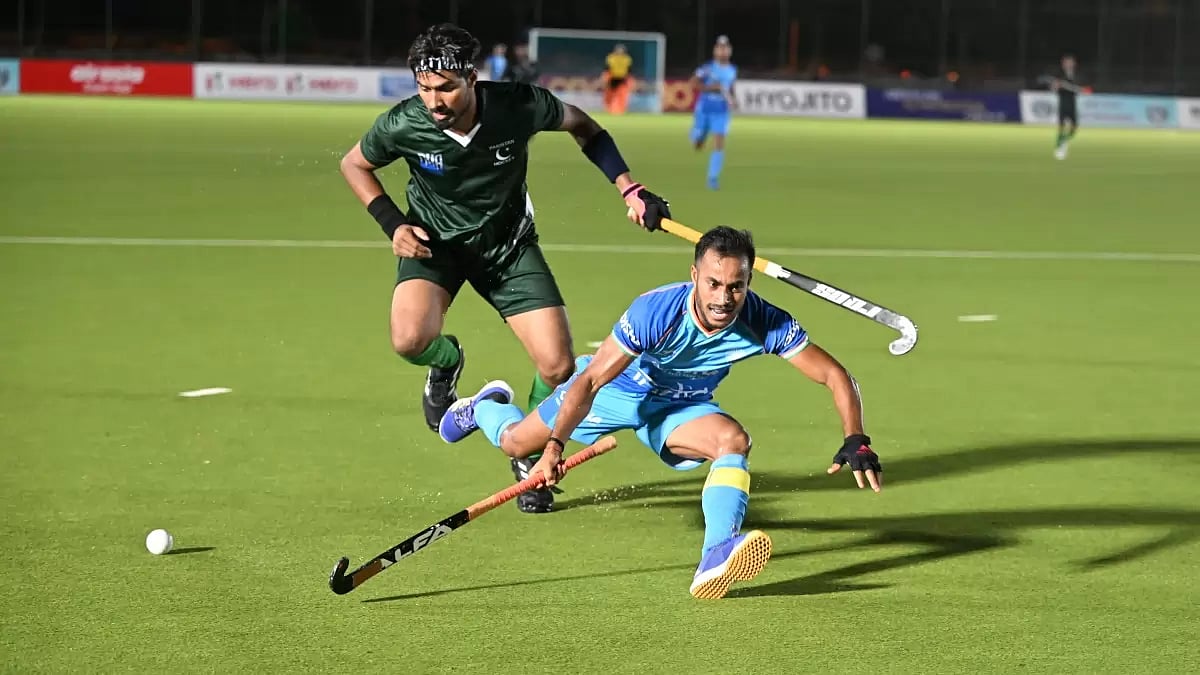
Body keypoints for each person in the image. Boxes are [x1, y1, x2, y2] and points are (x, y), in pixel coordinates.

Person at [438, 226, 882, 599]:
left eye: (736, 285)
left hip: (679, 407)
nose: (724, 298)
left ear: (748, 281)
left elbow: (835, 375)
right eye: (713, 283)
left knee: (733, 441)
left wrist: (855, 437)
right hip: (617, 390)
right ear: (695, 275)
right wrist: (554, 446)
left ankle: (715, 554)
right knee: (517, 442)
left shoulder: (764, 321)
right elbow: (591, 381)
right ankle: (486, 407)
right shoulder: (656, 311)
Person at [338, 23, 672, 514]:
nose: (435, 100)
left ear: (473, 77)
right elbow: (354, 164)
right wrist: (392, 224)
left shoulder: (519, 104)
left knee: (558, 365)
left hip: (508, 248)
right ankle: (446, 365)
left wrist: (628, 187)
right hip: (437, 247)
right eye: (424, 88)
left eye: (447, 87)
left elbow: (587, 128)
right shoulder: (404, 123)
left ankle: (530, 452)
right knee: (409, 341)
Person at [689, 36, 738, 190]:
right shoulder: (707, 68)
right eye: (720, 47)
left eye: (725, 48)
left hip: (721, 111)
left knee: (719, 143)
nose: (723, 51)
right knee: (698, 143)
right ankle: (698, 134)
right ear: (715, 50)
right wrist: (711, 88)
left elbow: (730, 88)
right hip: (704, 109)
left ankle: (712, 177)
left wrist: (733, 100)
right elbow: (693, 83)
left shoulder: (732, 70)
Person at [1049, 54, 1081, 160]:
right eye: (1066, 62)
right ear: (1063, 64)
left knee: (1074, 128)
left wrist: (1077, 89)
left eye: (1070, 62)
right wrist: (1055, 86)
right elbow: (1053, 89)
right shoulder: (1059, 75)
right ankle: (1058, 149)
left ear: (1074, 64)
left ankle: (1064, 141)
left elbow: (1080, 89)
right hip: (1063, 104)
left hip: (1073, 104)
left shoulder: (1077, 75)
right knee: (1062, 127)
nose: (1068, 64)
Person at [603, 43, 633, 114]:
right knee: (609, 95)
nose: (619, 52)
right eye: (618, 50)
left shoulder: (627, 59)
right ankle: (609, 109)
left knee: (622, 94)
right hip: (612, 78)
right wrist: (606, 78)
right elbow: (607, 69)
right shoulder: (610, 57)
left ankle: (621, 110)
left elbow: (629, 70)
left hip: (622, 78)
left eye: (621, 50)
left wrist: (628, 79)